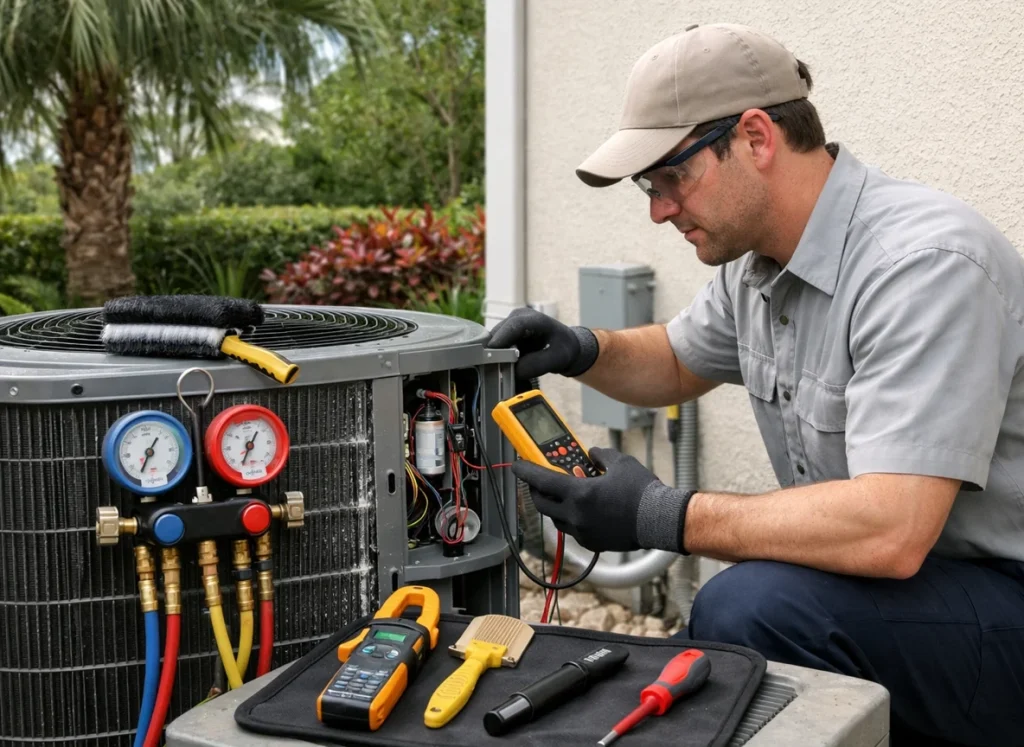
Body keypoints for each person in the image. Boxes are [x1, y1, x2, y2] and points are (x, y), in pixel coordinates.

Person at [488, 22, 1024, 747]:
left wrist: (660, 514)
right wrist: (583, 348)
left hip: (1003, 599)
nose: (658, 208)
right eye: (648, 186)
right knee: (737, 624)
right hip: (916, 599)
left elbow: (894, 528)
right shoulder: (757, 267)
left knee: (751, 608)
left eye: (670, 176)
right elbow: (677, 359)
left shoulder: (924, 265)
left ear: (756, 137)